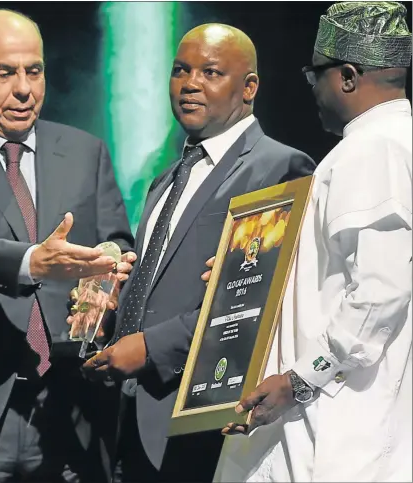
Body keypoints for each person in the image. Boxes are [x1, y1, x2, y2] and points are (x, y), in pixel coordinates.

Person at [82, 23, 315, 482]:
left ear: (248, 87)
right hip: (131, 415)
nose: (190, 84)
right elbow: (158, 283)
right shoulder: (167, 178)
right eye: (180, 70)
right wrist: (108, 302)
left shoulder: (279, 166)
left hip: (204, 417)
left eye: (211, 72)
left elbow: (256, 298)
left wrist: (151, 346)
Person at [213, 2, 412, 482]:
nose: (313, 91)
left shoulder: (374, 148)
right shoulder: (387, 142)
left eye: (313, 76)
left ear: (346, 76)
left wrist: (301, 380)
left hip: (340, 424)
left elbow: (380, 293)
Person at [0, 9, 135, 483]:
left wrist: (105, 273)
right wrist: (31, 262)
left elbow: (116, 240)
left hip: (70, 409)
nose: (24, 88)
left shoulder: (86, 150)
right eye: (4, 72)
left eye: (34, 71)